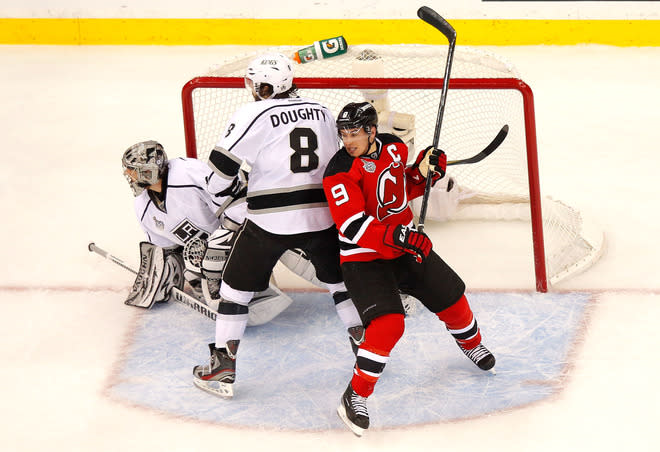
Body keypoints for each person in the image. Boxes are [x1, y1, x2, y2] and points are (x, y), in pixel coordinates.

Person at [192, 53, 363, 398]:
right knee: (340, 284)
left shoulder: (253, 112)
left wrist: (225, 192)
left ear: (259, 85)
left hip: (269, 221)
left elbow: (220, 170)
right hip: (322, 216)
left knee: (234, 291)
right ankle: (366, 354)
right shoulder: (323, 110)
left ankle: (223, 367)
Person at [322, 102, 496, 436]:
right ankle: (355, 395)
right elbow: (353, 226)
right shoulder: (339, 171)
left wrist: (424, 172)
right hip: (364, 257)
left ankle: (471, 343)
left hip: (402, 245)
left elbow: (401, 189)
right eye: (343, 134)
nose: (348, 140)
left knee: (453, 299)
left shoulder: (393, 147)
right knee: (388, 326)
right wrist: (399, 234)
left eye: (354, 133)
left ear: (372, 131)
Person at [121, 139, 303, 326]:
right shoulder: (142, 207)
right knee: (196, 274)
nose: (128, 175)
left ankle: (262, 277)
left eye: (132, 170)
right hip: (210, 252)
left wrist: (236, 242)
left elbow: (237, 199)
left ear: (149, 170)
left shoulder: (188, 173)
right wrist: (164, 279)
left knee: (223, 250)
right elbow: (168, 251)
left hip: (246, 226)